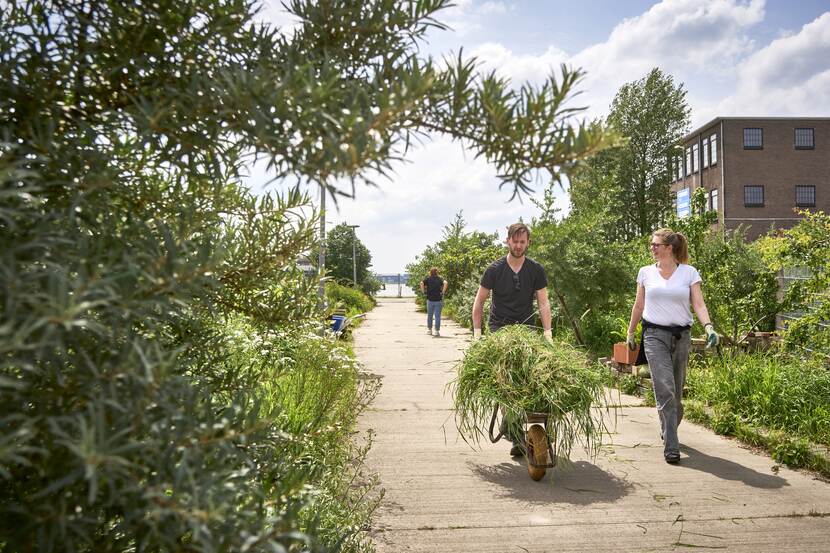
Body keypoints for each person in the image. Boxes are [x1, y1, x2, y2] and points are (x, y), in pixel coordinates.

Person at [625, 228, 719, 465]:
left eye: (656, 244)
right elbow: (638, 305)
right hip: (654, 334)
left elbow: (698, 304)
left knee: (676, 394)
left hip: (681, 337)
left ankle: (670, 424)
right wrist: (630, 331)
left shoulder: (689, 273)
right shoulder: (645, 272)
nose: (652, 248)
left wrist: (708, 327)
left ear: (669, 248)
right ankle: (672, 446)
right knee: (664, 389)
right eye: (651, 244)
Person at [472, 222, 553, 457]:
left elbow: (543, 302)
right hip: (500, 330)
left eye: (523, 242)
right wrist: (478, 335)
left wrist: (547, 334)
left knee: (530, 379)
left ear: (528, 243)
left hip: (526, 329)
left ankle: (523, 428)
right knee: (507, 380)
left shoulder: (535, 269)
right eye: (515, 241)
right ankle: (515, 431)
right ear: (508, 241)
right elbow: (479, 302)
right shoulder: (494, 270)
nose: (518, 246)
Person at [420, 267, 448, 337]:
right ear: (437, 272)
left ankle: (429, 330)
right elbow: (445, 283)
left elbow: (421, 283)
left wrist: (423, 291)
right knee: (437, 316)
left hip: (430, 300)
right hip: (438, 299)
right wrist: (443, 292)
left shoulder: (428, 279)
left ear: (430, 272)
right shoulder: (439, 279)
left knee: (430, 315)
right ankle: (436, 331)